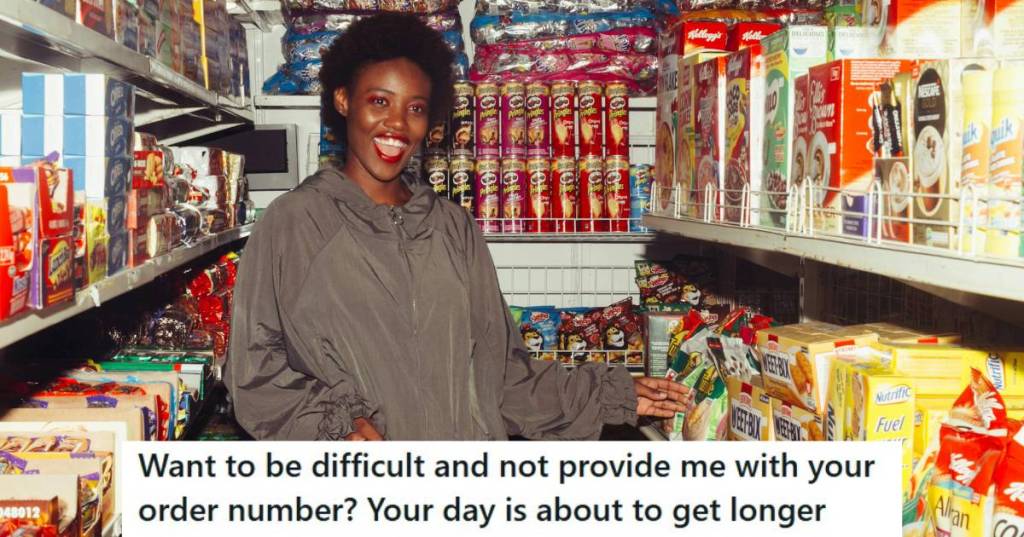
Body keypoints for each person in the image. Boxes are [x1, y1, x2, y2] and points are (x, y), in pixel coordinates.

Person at [225, 13, 690, 441]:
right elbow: (254, 376)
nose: (396, 125)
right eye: (379, 101)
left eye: (415, 108)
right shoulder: (293, 223)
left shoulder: (453, 226)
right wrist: (334, 425)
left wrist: (613, 393)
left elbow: (504, 379)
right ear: (344, 101)